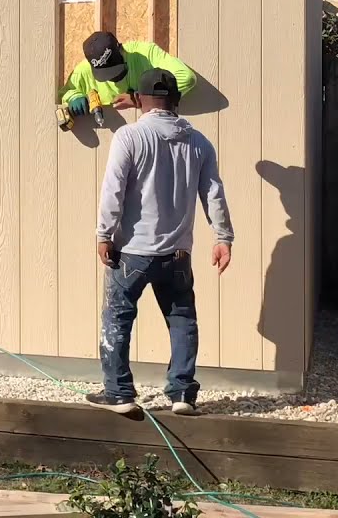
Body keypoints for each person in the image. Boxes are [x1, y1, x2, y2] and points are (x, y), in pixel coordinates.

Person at [89, 68, 234, 415]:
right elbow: (213, 192)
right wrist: (223, 236)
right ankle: (182, 394)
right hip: (177, 256)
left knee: (118, 319)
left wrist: (104, 234)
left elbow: (114, 190)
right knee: (182, 319)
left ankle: (119, 393)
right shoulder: (199, 142)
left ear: (139, 100)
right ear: (177, 102)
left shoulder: (130, 137)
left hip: (132, 254)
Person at [61, 31, 197, 116]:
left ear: (121, 49)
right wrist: (74, 97)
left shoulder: (146, 54)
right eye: (106, 75)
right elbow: (65, 93)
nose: (114, 78)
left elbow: (186, 77)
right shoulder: (84, 70)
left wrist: (138, 98)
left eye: (115, 70)